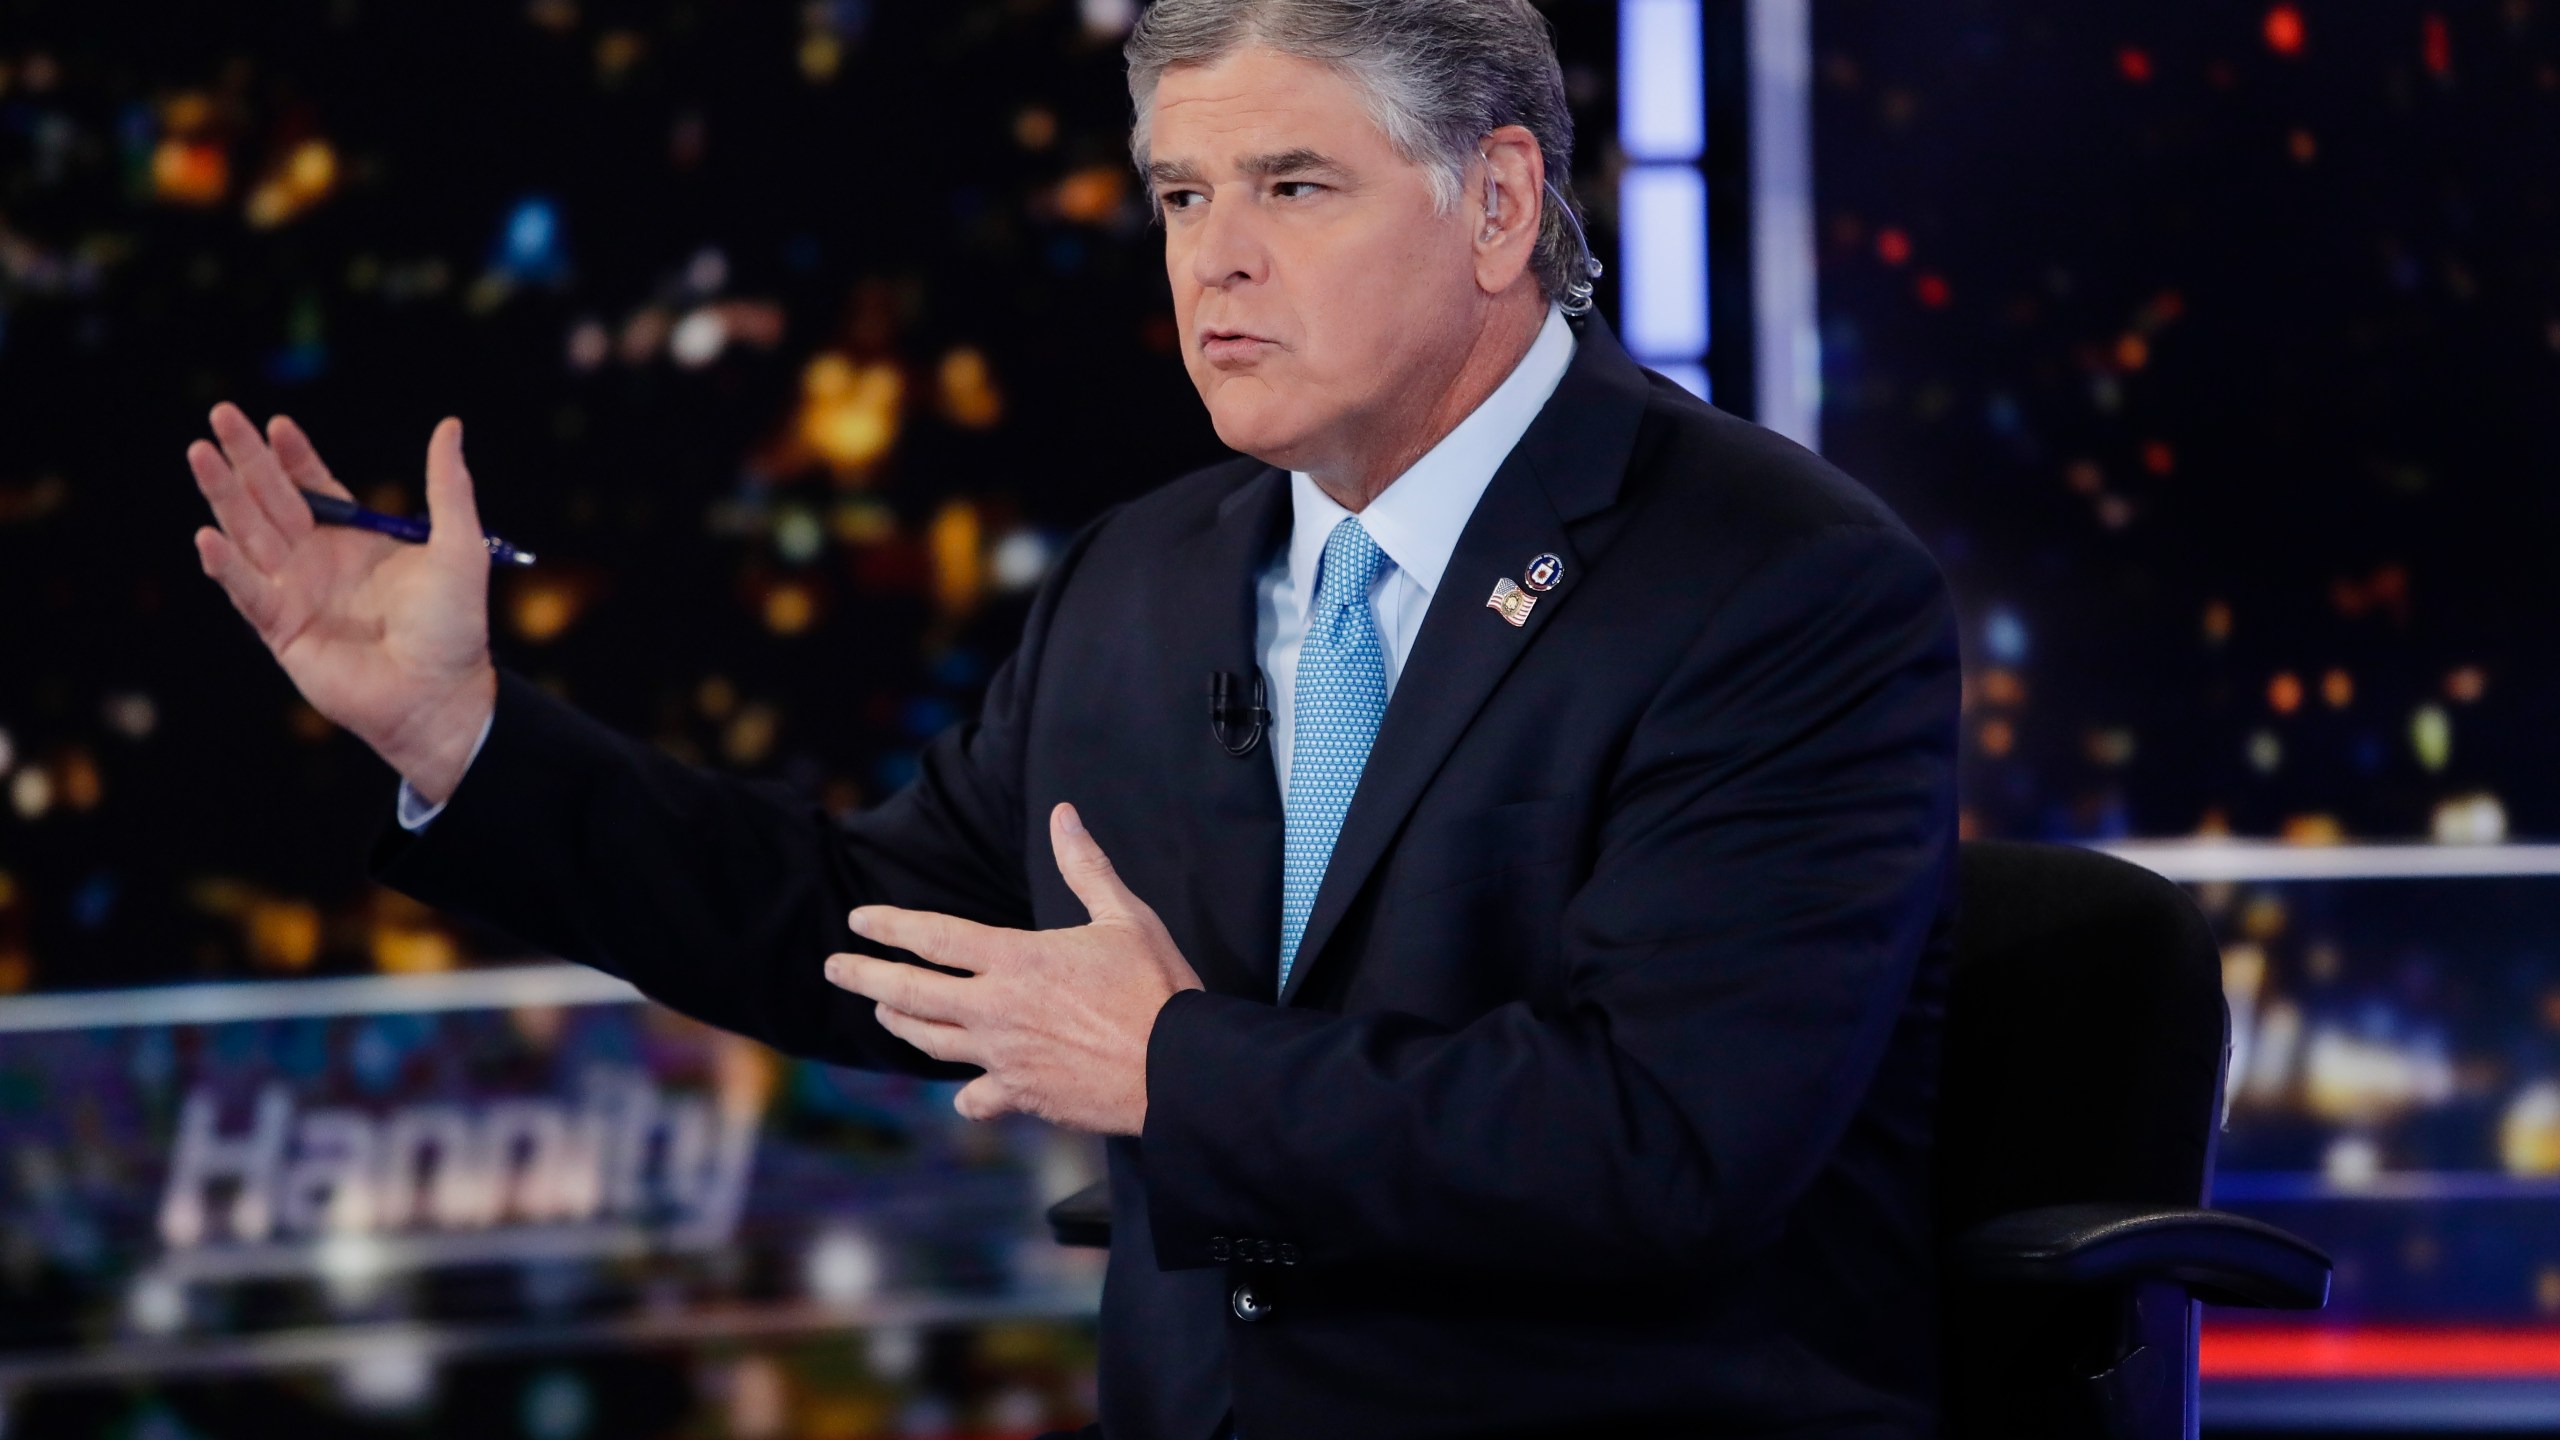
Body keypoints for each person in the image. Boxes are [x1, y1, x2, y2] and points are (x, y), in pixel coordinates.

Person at [184, 1, 1959, 1434]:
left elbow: (1663, 1147)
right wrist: (465, 740)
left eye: (1292, 187)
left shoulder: (1776, 584)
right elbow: (864, 931)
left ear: (1496, 204)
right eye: (1182, 197)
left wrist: (1173, 1069)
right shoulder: (1151, 573)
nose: (1216, 264)